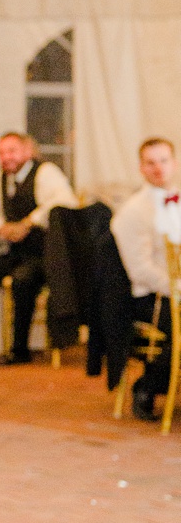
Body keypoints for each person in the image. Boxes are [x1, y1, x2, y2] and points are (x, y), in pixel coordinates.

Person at [0, 129, 78, 364]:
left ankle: (20, 349)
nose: (6, 157)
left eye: (12, 151)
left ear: (27, 151)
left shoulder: (46, 173)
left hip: (44, 257)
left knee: (22, 279)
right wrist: (2, 229)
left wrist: (29, 223)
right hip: (13, 253)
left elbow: (64, 202)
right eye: (2, 153)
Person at [112, 137, 181, 420]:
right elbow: (140, 270)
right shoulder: (132, 212)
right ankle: (146, 385)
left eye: (164, 161)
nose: (158, 168)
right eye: (151, 163)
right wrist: (178, 288)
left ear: (174, 163)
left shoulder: (177, 200)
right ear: (141, 168)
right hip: (148, 298)